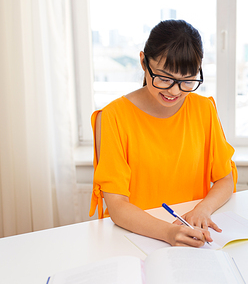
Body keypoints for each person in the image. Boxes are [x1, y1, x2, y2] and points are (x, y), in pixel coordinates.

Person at [89, 19, 237, 248]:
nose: (174, 91)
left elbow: (225, 179)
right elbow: (117, 205)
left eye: (187, 81)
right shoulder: (114, 117)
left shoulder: (204, 109)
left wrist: (202, 210)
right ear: (143, 62)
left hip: (193, 236)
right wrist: (168, 233)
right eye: (165, 78)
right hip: (135, 238)